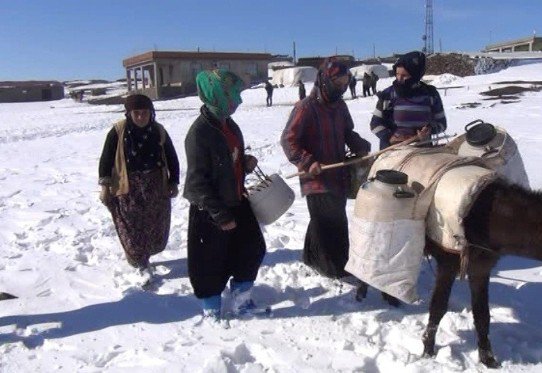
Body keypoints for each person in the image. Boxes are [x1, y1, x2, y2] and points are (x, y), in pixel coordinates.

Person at [183, 69, 267, 321]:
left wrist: (244, 161)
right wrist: (220, 215)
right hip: (209, 210)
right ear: (217, 95)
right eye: (233, 95)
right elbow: (197, 182)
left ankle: (241, 301)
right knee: (209, 263)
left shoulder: (228, 125)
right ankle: (212, 312)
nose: (238, 101)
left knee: (252, 249)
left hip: (236, 201)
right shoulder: (199, 133)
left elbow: (229, 159)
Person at [281, 57, 371, 279]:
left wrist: (358, 144)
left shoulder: (340, 106)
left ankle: (312, 257)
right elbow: (288, 140)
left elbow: (347, 132)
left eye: (344, 83)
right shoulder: (306, 107)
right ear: (324, 80)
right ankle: (334, 267)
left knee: (326, 217)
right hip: (316, 176)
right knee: (330, 220)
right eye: (337, 83)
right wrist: (307, 161)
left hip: (338, 173)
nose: (341, 88)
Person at [98, 94, 180, 283]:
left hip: (155, 186)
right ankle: (141, 262)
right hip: (127, 188)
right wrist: (105, 187)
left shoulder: (158, 131)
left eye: (145, 113)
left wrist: (173, 182)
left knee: (154, 226)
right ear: (129, 114)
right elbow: (106, 160)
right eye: (137, 113)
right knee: (132, 226)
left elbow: (172, 157)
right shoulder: (118, 131)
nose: (141, 117)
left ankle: (144, 255)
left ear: (151, 113)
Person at [369, 51, 447, 150]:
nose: (399, 79)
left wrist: (430, 130)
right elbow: (375, 123)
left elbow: (442, 123)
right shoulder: (388, 95)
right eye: (397, 74)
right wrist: (389, 137)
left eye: (404, 75)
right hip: (393, 151)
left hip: (423, 152)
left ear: (415, 76)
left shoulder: (430, 94)